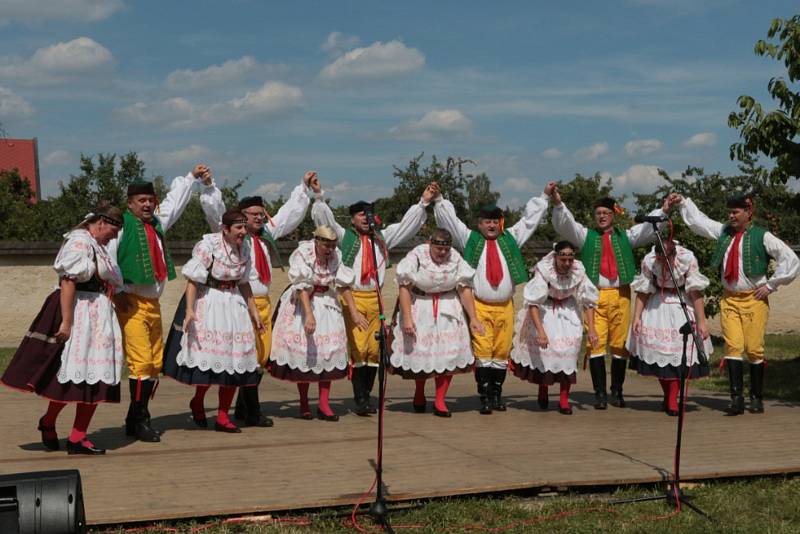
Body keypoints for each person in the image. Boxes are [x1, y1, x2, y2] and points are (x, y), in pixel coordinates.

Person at [197, 171, 320, 427]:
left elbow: (288, 214)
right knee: (246, 357)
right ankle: (249, 410)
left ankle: (243, 407)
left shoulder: (266, 237)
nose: (259, 218)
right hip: (241, 303)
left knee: (261, 358)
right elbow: (217, 214)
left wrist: (303, 188)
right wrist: (209, 188)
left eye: (261, 213)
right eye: (252, 214)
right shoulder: (232, 237)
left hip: (263, 304)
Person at [108, 164, 220, 442]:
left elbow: (174, 203)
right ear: (130, 203)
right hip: (130, 302)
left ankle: (136, 417)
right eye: (141, 201)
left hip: (153, 303)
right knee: (141, 362)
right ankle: (138, 419)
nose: (147, 205)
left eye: (150, 200)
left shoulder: (156, 223)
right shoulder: (120, 227)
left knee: (155, 362)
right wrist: (117, 291)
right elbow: (107, 259)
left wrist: (191, 179)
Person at [1, 205, 124, 454]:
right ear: (101, 221)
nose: (115, 235)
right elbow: (68, 281)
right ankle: (48, 422)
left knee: (97, 376)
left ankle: (78, 437)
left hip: (98, 314)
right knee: (69, 379)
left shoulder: (97, 246)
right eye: (114, 229)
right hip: (79, 311)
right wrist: (66, 322)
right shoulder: (79, 242)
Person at [311, 183, 438, 416]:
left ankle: (366, 395)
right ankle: (360, 397)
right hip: (354, 297)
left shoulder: (381, 238)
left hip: (375, 297)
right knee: (359, 348)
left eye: (369, 214)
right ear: (352, 219)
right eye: (361, 215)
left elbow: (405, 227)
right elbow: (325, 220)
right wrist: (319, 196)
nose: (366, 218)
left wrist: (424, 202)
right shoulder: (344, 237)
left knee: (374, 349)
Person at [549, 184, 678, 409]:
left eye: (606, 213)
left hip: (621, 295)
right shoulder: (585, 235)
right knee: (596, 343)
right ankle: (599, 394)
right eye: (598, 213)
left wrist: (664, 209)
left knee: (620, 345)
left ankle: (617, 391)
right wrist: (558, 203)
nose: (601, 217)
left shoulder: (626, 236)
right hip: (595, 296)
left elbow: (648, 229)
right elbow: (566, 223)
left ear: (613, 215)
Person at [677, 194, 799, 414]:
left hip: (754, 298)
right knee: (732, 346)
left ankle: (756, 397)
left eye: (735, 212)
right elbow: (700, 223)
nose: (731, 216)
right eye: (729, 212)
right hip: (730, 298)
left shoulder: (763, 236)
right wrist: (684, 203)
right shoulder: (724, 232)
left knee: (753, 348)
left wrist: (771, 285)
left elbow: (790, 259)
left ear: (747, 212)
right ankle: (736, 399)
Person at [434, 184, 550, 414]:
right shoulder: (470, 238)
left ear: (500, 223)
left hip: (505, 306)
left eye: (495, 221)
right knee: (483, 351)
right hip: (480, 306)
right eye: (487, 221)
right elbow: (452, 222)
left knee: (501, 351)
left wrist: (544, 197)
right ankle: (484, 395)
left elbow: (529, 221)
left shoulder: (511, 238)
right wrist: (439, 199)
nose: (491, 225)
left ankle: (497, 394)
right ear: (479, 224)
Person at [163, 210, 265, 433]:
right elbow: (192, 280)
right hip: (210, 301)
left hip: (234, 305)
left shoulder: (245, 248)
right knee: (211, 360)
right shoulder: (208, 246)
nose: (242, 232)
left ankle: (222, 416)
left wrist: (254, 311)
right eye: (238, 228)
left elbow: (244, 282)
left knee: (234, 361)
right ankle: (198, 401)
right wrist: (189, 310)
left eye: (244, 228)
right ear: (225, 229)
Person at [269, 225, 362, 421]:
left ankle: (324, 404)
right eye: (326, 245)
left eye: (333, 245)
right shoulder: (303, 253)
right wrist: (309, 315)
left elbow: (343, 285)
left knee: (327, 352)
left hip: (327, 302)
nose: (330, 250)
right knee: (305, 354)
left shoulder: (334, 255)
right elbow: (302, 287)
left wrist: (354, 312)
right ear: (317, 241)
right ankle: (304, 402)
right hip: (304, 302)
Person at [389, 228, 485, 417]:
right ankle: (419, 392)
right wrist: (407, 318)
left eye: (446, 249)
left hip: (448, 308)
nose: (443, 253)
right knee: (421, 352)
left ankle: (440, 401)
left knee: (448, 356)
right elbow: (404, 287)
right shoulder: (416, 256)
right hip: (421, 307)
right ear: (430, 244)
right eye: (439, 249)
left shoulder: (455, 257)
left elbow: (464, 288)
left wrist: (473, 318)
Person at [510, 241, 599, 414]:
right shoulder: (544, 270)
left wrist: (592, 329)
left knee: (569, 353)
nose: (567, 264)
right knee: (546, 353)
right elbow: (533, 303)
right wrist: (540, 331)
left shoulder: (578, 270)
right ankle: (543, 390)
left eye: (570, 260)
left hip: (568, 311)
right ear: (556, 257)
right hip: (545, 311)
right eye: (563, 259)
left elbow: (588, 301)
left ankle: (564, 400)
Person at [627, 239, 712, 416]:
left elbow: (695, 293)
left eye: (667, 259)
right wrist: (636, 317)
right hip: (657, 306)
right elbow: (643, 291)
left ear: (674, 254)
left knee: (678, 355)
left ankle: (672, 398)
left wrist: (702, 321)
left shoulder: (687, 259)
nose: (663, 263)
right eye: (660, 259)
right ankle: (669, 396)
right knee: (660, 357)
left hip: (681, 304)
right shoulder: (649, 261)